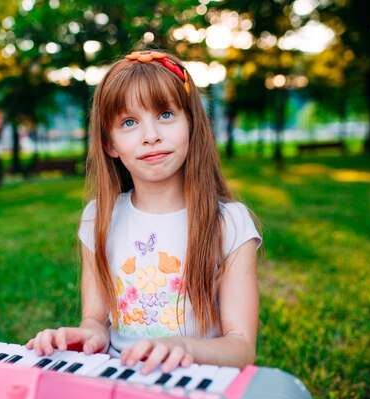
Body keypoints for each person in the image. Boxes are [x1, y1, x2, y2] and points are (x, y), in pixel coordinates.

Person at [26, 50, 262, 375]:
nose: (151, 136)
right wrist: (87, 336)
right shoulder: (98, 219)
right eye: (129, 122)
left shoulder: (230, 223)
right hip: (119, 382)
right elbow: (95, 320)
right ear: (110, 144)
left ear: (192, 123)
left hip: (197, 385)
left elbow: (241, 347)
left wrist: (182, 348)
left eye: (165, 114)